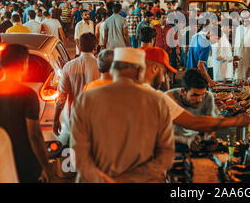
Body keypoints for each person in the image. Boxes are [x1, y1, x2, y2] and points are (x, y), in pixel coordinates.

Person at [71, 47, 174, 183]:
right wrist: (129, 179)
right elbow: (166, 156)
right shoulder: (157, 101)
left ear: (113, 70)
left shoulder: (85, 99)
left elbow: (78, 155)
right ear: (139, 71)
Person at [142, 46, 250, 132]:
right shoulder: (156, 97)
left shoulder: (131, 88)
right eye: (164, 73)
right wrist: (236, 121)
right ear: (155, 68)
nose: (163, 79)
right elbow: (193, 122)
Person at [0, 44, 52, 182]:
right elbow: (34, 135)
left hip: (0, 159)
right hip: (25, 163)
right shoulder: (28, 95)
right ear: (23, 64)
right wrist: (45, 165)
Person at [53, 33, 100, 137]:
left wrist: (56, 119)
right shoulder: (100, 67)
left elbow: (61, 96)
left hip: (74, 117)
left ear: (79, 47)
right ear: (95, 47)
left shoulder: (69, 67)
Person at [168, 69, 218, 152]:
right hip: (174, 144)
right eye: (195, 95)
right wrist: (186, 140)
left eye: (202, 95)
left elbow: (209, 125)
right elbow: (162, 133)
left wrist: (209, 138)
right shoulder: (169, 98)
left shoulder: (208, 96)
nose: (200, 100)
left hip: (197, 142)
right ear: (183, 92)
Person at [233, 11, 250, 81]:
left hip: (248, 66)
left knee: (248, 86)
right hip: (238, 65)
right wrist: (234, 60)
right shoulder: (239, 28)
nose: (243, 21)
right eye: (242, 19)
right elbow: (236, 47)